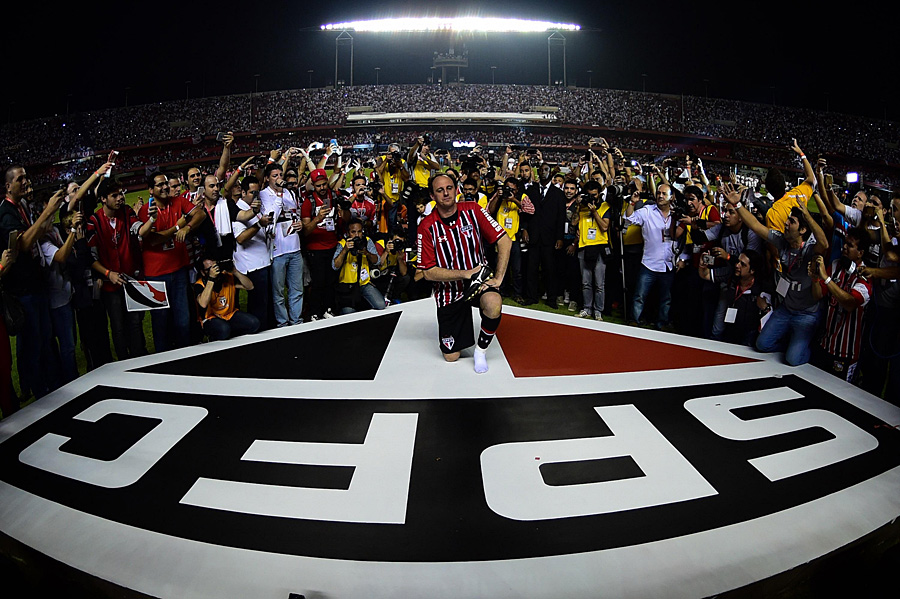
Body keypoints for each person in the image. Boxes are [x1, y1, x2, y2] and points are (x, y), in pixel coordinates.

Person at [723, 182, 829, 366]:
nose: (786, 223)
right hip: (786, 309)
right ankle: (792, 344)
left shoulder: (811, 250)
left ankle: (805, 347)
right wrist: (738, 205)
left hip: (806, 314)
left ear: (803, 230)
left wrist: (808, 216)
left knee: (793, 360)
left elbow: (824, 244)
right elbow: (756, 226)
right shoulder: (781, 240)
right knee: (762, 344)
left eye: (792, 222)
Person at [419, 173, 511, 374]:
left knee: (494, 304)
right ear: (432, 195)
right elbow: (428, 272)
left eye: (450, 188)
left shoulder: (473, 210)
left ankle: (480, 350)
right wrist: (465, 273)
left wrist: (498, 277)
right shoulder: (426, 226)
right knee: (452, 356)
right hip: (449, 291)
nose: (446, 193)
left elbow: (505, 240)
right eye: (440, 190)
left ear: (456, 189)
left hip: (479, 282)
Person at [137, 172, 207, 352]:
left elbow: (200, 214)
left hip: (179, 269)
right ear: (151, 190)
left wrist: (188, 226)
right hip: (156, 274)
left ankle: (184, 357)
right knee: (161, 323)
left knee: (183, 320)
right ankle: (163, 360)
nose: (165, 187)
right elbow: (152, 240)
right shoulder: (147, 210)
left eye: (166, 183)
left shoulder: (177, 202)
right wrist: (177, 226)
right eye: (159, 185)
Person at [87, 179, 146, 360]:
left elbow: (139, 229)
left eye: (121, 193)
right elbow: (90, 258)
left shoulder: (127, 212)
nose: (120, 198)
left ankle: (141, 360)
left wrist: (150, 221)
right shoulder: (94, 221)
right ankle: (123, 363)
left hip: (131, 279)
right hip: (109, 284)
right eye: (115, 195)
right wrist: (107, 273)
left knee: (135, 323)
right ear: (103, 199)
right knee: (118, 326)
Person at [809, 229, 872, 383]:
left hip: (847, 351)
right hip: (826, 343)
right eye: (845, 243)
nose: (844, 247)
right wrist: (815, 279)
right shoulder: (836, 264)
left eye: (850, 245)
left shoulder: (866, 276)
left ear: (860, 253)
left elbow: (850, 303)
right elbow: (818, 295)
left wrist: (826, 278)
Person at [624, 183, 687, 329]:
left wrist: (682, 258)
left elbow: (683, 240)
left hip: (668, 263)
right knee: (640, 296)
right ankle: (635, 320)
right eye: (658, 193)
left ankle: (662, 323)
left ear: (672, 197)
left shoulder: (677, 214)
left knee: (666, 299)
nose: (660, 196)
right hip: (649, 262)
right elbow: (630, 218)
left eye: (664, 194)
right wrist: (632, 202)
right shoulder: (647, 211)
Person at [259, 163, 304, 326]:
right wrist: (278, 196)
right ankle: (282, 323)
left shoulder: (290, 193)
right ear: (267, 179)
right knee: (278, 293)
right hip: (277, 250)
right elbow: (272, 218)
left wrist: (299, 224)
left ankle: (296, 320)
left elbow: (293, 214)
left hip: (295, 246)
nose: (279, 179)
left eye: (280, 175)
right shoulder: (263, 195)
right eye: (274, 176)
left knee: (297, 289)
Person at [573, 180, 612, 320]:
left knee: (599, 283)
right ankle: (587, 308)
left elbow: (605, 227)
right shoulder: (582, 206)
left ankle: (598, 310)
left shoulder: (605, 206)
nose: (591, 198)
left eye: (594, 195)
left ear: (599, 194)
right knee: (585, 282)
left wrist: (594, 212)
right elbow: (573, 222)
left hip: (599, 246)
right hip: (584, 246)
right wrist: (578, 206)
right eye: (589, 195)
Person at [194, 259, 259, 341]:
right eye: (210, 269)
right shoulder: (200, 284)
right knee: (224, 330)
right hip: (211, 318)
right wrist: (211, 279)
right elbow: (203, 304)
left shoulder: (227, 277)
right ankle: (212, 336)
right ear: (203, 272)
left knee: (254, 323)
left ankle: (230, 331)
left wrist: (235, 271)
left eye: (215, 267)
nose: (215, 271)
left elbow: (250, 287)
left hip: (229, 314)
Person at [332, 219, 386, 314]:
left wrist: (367, 253)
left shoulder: (367, 241)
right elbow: (335, 266)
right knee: (348, 314)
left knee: (381, 305)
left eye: (359, 232)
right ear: (348, 233)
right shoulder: (342, 244)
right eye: (353, 232)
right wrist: (345, 250)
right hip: (347, 286)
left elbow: (377, 261)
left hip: (364, 283)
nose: (357, 235)